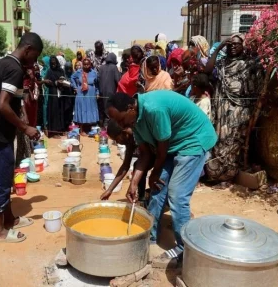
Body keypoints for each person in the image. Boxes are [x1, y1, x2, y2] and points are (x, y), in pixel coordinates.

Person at [107, 91, 217, 267]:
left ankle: (184, 248)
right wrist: (133, 184)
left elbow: (162, 149)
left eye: (120, 120)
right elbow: (145, 155)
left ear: (130, 108)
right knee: (158, 190)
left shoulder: (154, 109)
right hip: (174, 144)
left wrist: (155, 173)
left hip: (193, 140)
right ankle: (149, 235)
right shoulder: (136, 121)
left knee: (177, 195)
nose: (121, 124)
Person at [0, 32, 43, 242]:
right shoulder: (14, 69)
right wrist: (26, 128)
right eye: (34, 56)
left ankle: (9, 219)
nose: (34, 61)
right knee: (0, 181)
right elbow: (2, 105)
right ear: (28, 50)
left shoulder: (2, 63)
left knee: (4, 177)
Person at [204, 33, 262, 182]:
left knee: (233, 144)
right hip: (221, 112)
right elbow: (207, 70)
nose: (233, 47)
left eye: (237, 44)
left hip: (239, 111)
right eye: (230, 44)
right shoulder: (222, 63)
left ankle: (229, 176)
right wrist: (219, 48)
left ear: (243, 46)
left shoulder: (248, 64)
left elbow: (256, 87)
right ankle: (216, 174)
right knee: (219, 142)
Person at [71, 58, 99, 135]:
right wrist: (75, 87)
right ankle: (82, 129)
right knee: (82, 109)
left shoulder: (94, 73)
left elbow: (96, 84)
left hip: (91, 94)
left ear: (90, 65)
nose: (86, 66)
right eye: (85, 64)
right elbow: (72, 78)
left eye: (88, 64)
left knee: (90, 109)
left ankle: (89, 128)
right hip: (81, 94)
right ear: (83, 65)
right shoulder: (78, 72)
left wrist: (97, 92)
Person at [43, 56, 65, 138]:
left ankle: (60, 130)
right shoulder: (49, 71)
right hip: (53, 94)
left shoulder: (61, 70)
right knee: (54, 112)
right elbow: (46, 82)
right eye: (51, 64)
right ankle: (54, 131)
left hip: (61, 93)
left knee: (61, 110)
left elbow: (64, 78)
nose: (53, 65)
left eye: (54, 63)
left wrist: (62, 81)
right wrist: (55, 83)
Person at [98, 53, 121, 128]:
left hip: (101, 92)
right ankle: (107, 126)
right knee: (109, 109)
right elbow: (118, 80)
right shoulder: (114, 68)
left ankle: (102, 125)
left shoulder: (101, 67)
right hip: (111, 92)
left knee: (102, 109)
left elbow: (98, 79)